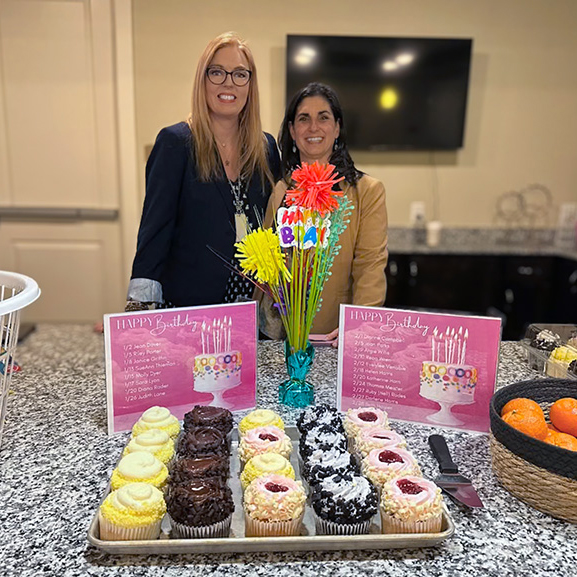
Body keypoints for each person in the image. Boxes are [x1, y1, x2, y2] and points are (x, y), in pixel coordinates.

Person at [126, 32, 280, 311]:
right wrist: (139, 310)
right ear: (203, 79)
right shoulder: (176, 143)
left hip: (251, 312)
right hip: (190, 310)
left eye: (239, 74)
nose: (228, 83)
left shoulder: (266, 148)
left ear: (250, 84)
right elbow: (154, 233)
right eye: (217, 72)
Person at [261, 82, 388, 342]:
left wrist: (359, 328)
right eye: (303, 119)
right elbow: (266, 262)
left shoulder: (366, 192)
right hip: (282, 340)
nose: (313, 128)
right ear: (292, 131)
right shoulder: (280, 191)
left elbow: (370, 267)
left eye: (324, 118)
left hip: (335, 338)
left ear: (337, 128)